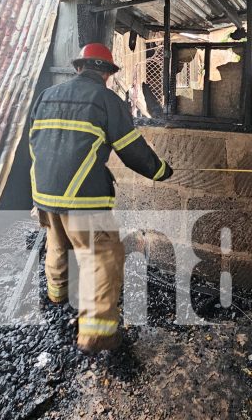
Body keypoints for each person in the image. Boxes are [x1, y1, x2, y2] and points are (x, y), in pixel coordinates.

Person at [29, 43, 173, 353]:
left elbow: (35, 142)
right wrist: (161, 170)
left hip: (43, 195)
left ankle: (56, 297)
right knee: (102, 258)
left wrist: (41, 191)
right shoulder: (105, 99)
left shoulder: (46, 96)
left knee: (57, 243)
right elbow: (132, 149)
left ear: (79, 67)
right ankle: (97, 336)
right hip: (82, 200)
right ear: (107, 73)